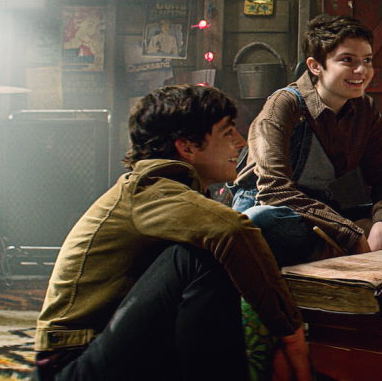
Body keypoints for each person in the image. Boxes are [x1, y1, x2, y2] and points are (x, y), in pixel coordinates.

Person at [35, 85, 311, 381]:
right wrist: (290, 333)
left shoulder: (174, 192)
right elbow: (233, 229)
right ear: (187, 147)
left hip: (110, 351)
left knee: (220, 247)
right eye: (227, 132)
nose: (240, 142)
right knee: (202, 256)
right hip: (71, 365)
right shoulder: (150, 187)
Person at [232, 14, 382, 266]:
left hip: (323, 211)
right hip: (272, 206)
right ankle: (342, 244)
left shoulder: (365, 109)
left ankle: (331, 247)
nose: (362, 71)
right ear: (315, 66)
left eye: (367, 60)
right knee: (262, 222)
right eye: (347, 60)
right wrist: (350, 232)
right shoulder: (284, 105)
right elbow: (274, 190)